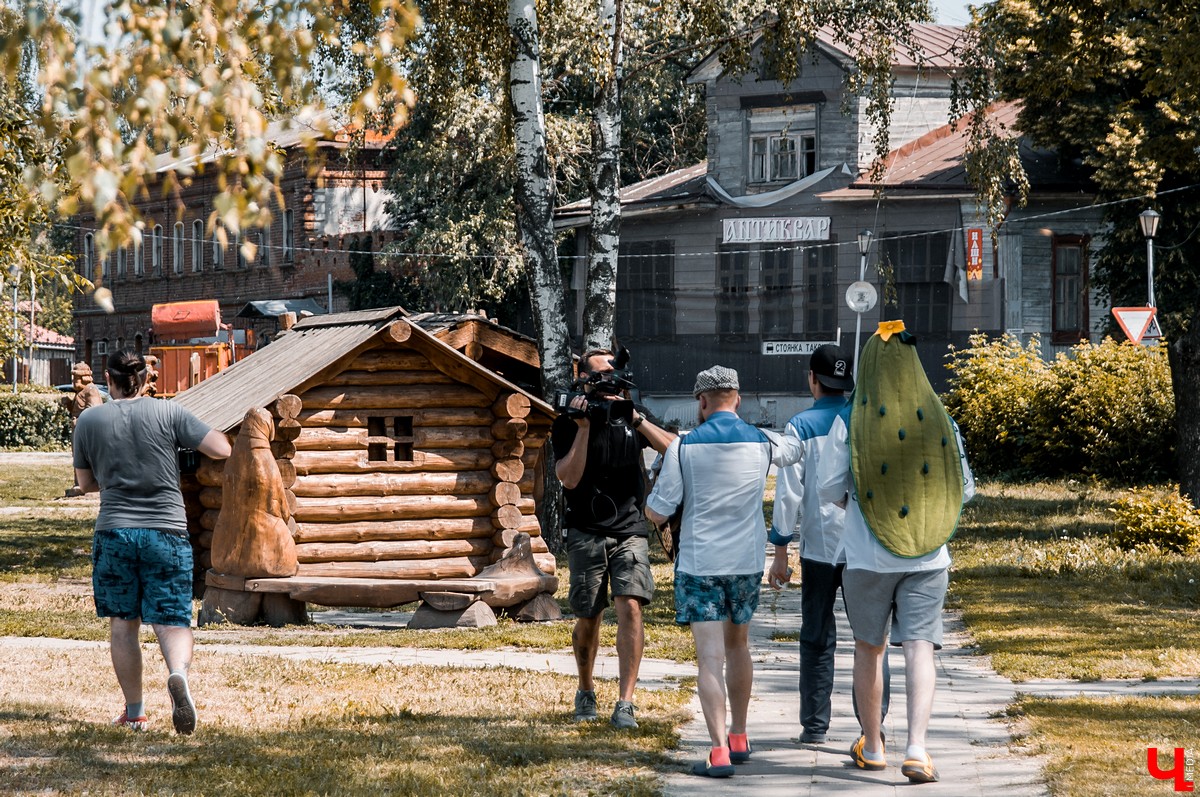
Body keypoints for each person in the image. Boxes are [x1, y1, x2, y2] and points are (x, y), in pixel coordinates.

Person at [817, 322, 974, 784]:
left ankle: (872, 743)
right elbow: (962, 488)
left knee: (870, 648)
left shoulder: (852, 417)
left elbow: (829, 488)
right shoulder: (941, 416)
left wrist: (863, 504)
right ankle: (918, 750)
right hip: (929, 556)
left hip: (867, 556)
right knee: (920, 648)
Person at [645, 365, 803, 778]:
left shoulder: (683, 447)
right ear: (738, 397)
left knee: (709, 659)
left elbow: (659, 510)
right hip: (747, 561)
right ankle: (740, 734)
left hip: (700, 564)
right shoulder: (762, 441)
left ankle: (717, 753)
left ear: (701, 402)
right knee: (740, 648)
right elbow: (795, 449)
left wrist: (649, 504)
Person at [73, 350, 232, 734]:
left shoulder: (88, 420)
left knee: (123, 624)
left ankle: (135, 710)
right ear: (145, 380)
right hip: (167, 532)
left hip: (115, 533)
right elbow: (222, 448)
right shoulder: (170, 413)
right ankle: (177, 674)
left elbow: (84, 484)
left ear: (108, 381)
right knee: (172, 620)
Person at [769, 343, 893, 745]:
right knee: (871, 641)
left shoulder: (800, 426)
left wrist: (781, 550)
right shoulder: (867, 418)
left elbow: (788, 495)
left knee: (817, 635)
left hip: (820, 548)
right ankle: (874, 727)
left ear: (812, 380)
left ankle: (815, 727)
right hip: (866, 546)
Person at [552, 348, 674, 729]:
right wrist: (585, 427)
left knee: (631, 607)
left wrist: (635, 418)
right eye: (601, 377)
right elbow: (567, 478)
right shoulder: (569, 420)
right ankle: (586, 689)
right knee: (588, 615)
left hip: (629, 527)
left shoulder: (630, 414)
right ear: (586, 381)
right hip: (586, 529)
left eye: (614, 376)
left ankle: (626, 702)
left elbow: (673, 448)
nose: (610, 384)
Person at [62, 362, 106, 497]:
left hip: (87, 431)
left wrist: (80, 420)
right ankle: (79, 483)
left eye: (77, 378)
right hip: (78, 428)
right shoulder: (80, 392)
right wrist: (69, 404)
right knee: (77, 456)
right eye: (73, 378)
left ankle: (90, 484)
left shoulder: (90, 390)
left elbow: (94, 410)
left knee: (87, 456)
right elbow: (77, 409)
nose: (74, 382)